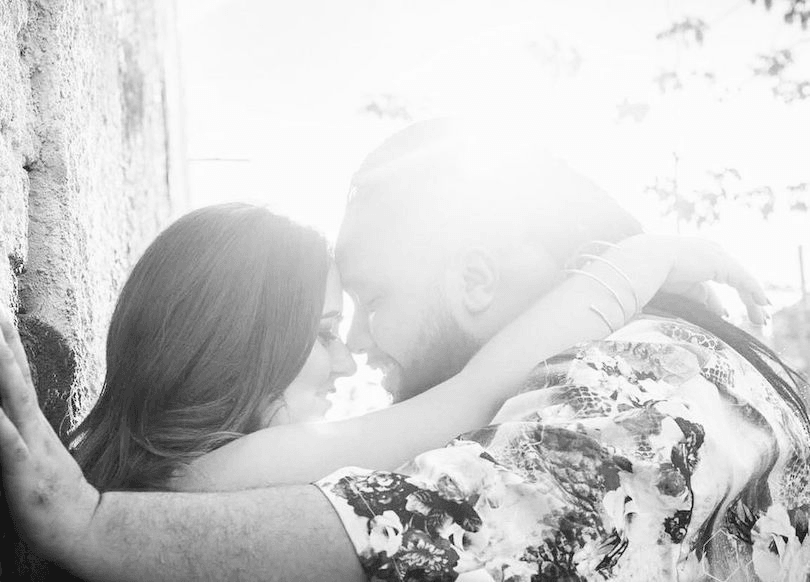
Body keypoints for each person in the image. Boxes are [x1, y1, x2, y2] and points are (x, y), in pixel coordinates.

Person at [1, 120, 808, 581]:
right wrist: (641, 261)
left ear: (476, 277)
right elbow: (469, 415)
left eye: (370, 301)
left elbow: (479, 481)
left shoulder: (645, 387)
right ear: (240, 347)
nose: (353, 352)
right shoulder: (214, 486)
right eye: (325, 329)